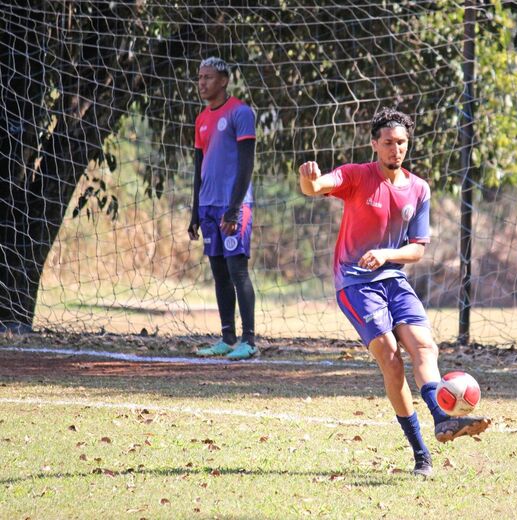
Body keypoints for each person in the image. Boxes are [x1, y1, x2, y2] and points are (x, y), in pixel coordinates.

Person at [298, 108, 490, 477]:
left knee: (425, 346)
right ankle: (421, 454)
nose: (395, 149)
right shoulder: (357, 176)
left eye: (401, 142)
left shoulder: (419, 189)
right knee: (390, 357)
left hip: (394, 280)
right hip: (355, 284)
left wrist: (387, 254)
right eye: (387, 142)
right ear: (374, 144)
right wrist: (308, 179)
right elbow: (317, 188)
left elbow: (417, 249)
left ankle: (441, 418)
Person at [188, 57, 257, 360]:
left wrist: (234, 208)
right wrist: (194, 212)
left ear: (224, 81)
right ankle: (227, 338)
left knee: (237, 269)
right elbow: (198, 167)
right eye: (200, 77)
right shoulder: (201, 119)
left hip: (233, 205)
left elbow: (246, 164)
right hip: (207, 205)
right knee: (218, 271)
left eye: (209, 77)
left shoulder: (241, 114)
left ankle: (250, 340)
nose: (202, 83)